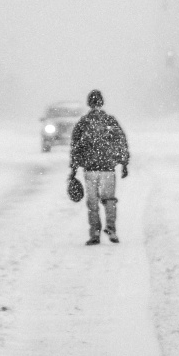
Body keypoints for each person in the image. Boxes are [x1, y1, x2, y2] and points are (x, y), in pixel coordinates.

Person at [68, 89, 130, 245]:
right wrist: (123, 163)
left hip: (90, 169)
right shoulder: (110, 121)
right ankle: (111, 229)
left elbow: (76, 147)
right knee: (109, 199)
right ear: (102, 102)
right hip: (108, 168)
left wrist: (74, 169)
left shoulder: (83, 122)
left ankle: (95, 233)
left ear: (89, 103)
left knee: (92, 202)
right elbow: (120, 141)